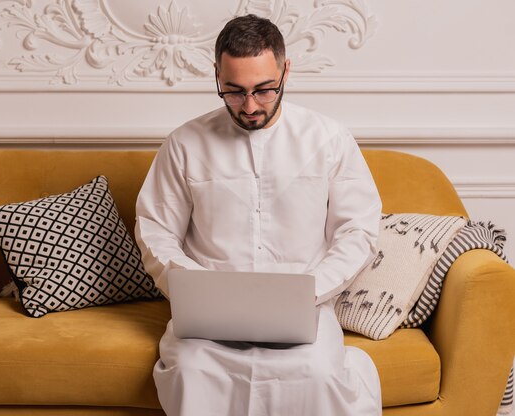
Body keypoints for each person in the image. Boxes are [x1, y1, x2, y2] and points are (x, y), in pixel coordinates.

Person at [135, 14, 383, 416]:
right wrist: (195, 286)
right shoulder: (184, 143)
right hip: (208, 320)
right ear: (216, 74)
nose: (250, 106)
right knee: (191, 371)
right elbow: (155, 231)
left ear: (286, 70)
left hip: (306, 309)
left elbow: (358, 230)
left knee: (318, 374)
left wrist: (308, 291)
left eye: (265, 90)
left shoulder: (330, 138)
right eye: (233, 91)